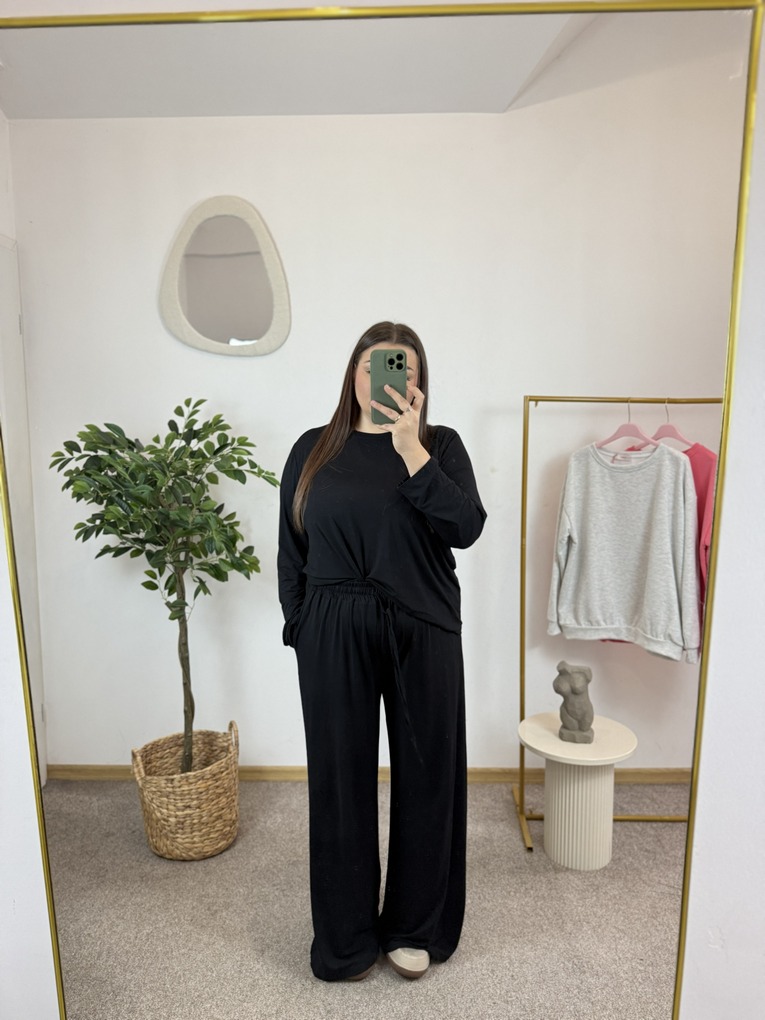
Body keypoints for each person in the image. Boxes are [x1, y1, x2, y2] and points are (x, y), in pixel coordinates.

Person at [277, 321, 486, 983]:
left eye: (403, 368)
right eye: (374, 365)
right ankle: (344, 938)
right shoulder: (313, 449)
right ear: (353, 373)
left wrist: (410, 450)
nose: (386, 379)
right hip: (332, 627)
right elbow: (291, 548)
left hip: (422, 624)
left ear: (418, 382)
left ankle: (414, 928)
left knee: (428, 776)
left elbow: (465, 528)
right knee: (338, 780)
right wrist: (300, 625)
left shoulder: (439, 446)